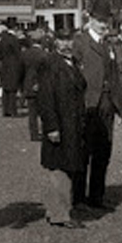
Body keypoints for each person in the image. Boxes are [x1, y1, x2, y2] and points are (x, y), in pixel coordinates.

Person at [71, 0, 122, 211]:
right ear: (91, 19)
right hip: (88, 104)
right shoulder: (80, 42)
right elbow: (73, 75)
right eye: (100, 20)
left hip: (107, 104)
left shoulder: (108, 44)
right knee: (84, 152)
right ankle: (79, 198)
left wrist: (119, 106)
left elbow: (115, 77)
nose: (104, 25)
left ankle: (97, 196)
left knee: (103, 152)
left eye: (106, 21)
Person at [36, 27, 87, 228]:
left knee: (65, 166)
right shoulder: (49, 63)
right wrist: (51, 126)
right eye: (61, 39)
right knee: (59, 168)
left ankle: (55, 210)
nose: (66, 44)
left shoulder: (71, 62)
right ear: (54, 41)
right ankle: (61, 214)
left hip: (72, 123)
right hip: (59, 123)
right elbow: (46, 97)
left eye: (69, 39)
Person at [0, 25, 23, 117]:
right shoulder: (14, 40)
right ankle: (13, 110)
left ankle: (6, 111)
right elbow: (18, 53)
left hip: (3, 66)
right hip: (13, 66)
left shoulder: (1, 40)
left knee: (5, 88)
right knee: (13, 89)